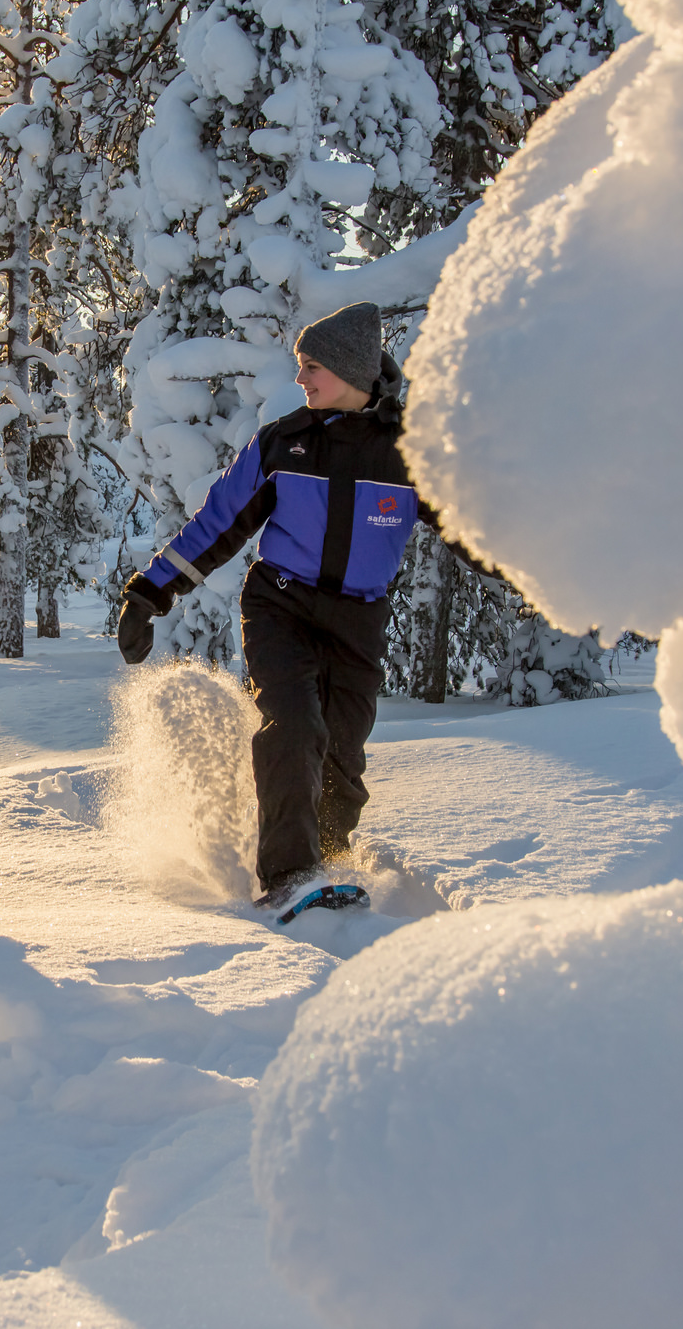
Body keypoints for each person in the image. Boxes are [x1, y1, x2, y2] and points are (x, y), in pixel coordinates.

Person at [117, 301, 463, 909]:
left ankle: (328, 865)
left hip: (359, 620)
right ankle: (288, 876)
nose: (300, 379)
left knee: (343, 753)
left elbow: (476, 528)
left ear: (349, 371)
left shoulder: (410, 452)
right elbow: (219, 522)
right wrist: (151, 592)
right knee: (295, 727)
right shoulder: (284, 443)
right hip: (282, 607)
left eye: (311, 367)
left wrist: (541, 570)